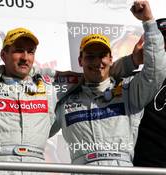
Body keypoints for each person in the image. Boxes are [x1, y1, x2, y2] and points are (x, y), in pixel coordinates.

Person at [51, 0, 166, 169]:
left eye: (102, 55)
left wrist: (148, 22)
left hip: (123, 169)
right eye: (90, 56)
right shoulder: (65, 102)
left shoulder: (129, 91)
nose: (98, 62)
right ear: (80, 61)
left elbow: (156, 71)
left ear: (111, 59)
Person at [0, 27, 58, 175]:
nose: (25, 57)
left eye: (30, 52)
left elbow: (52, 125)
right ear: (3, 55)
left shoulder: (48, 87)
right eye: (19, 51)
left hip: (36, 167)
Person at [133, 18, 166, 167]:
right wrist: (132, 61)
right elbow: (99, 78)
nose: (164, 46)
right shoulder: (132, 83)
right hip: (146, 169)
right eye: (160, 41)